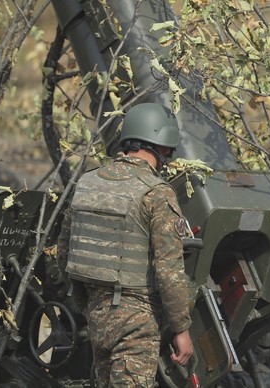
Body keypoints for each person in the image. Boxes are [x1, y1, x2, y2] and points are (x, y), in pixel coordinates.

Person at [57, 102, 193, 387]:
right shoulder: (156, 193)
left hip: (97, 314)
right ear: (162, 147)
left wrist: (87, 304)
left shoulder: (87, 183)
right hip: (138, 321)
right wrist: (181, 329)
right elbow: (169, 271)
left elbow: (65, 252)